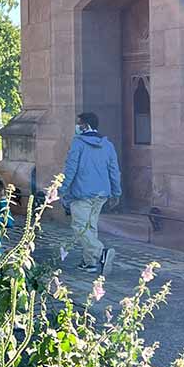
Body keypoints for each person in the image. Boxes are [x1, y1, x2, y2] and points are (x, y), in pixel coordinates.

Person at [59, 111, 121, 274]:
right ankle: (90, 263)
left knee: (80, 226)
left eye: (78, 123)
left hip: (81, 193)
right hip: (101, 193)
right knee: (90, 227)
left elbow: (70, 169)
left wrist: (61, 189)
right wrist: (116, 192)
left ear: (85, 125)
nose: (77, 126)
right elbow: (114, 170)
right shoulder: (108, 145)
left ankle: (101, 252)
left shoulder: (78, 143)